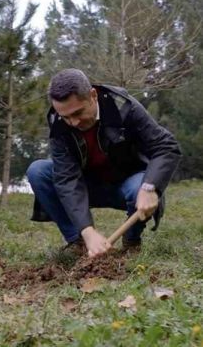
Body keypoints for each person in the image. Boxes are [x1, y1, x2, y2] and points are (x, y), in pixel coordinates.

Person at [27, 69, 181, 258]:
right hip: (89, 187)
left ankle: (131, 242)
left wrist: (150, 187)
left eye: (78, 112)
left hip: (128, 185)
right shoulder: (59, 123)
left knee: (139, 185)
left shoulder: (125, 108)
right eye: (66, 116)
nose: (73, 122)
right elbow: (66, 179)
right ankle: (78, 242)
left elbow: (166, 146)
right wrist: (87, 229)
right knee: (38, 171)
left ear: (93, 95)